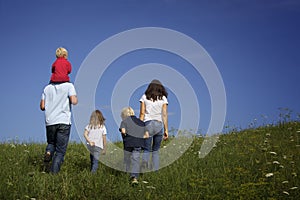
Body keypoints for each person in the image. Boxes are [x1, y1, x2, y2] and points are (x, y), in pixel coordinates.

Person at [40, 82, 78, 173]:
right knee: (60, 151)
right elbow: (74, 101)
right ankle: (54, 174)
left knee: (51, 143)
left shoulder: (47, 88)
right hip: (63, 121)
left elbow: (42, 106)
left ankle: (48, 152)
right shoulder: (69, 86)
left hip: (50, 121)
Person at [139, 79, 168, 171]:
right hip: (159, 124)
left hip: (147, 123)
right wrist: (166, 130)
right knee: (155, 150)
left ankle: (144, 164)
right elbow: (164, 114)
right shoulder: (163, 98)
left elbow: (142, 113)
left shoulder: (144, 97)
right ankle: (155, 170)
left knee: (147, 148)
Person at [119, 107, 149, 185]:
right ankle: (134, 178)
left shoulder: (124, 122)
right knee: (136, 160)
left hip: (128, 143)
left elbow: (123, 131)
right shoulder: (141, 122)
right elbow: (147, 135)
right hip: (138, 143)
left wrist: (125, 135)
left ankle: (126, 174)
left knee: (127, 160)